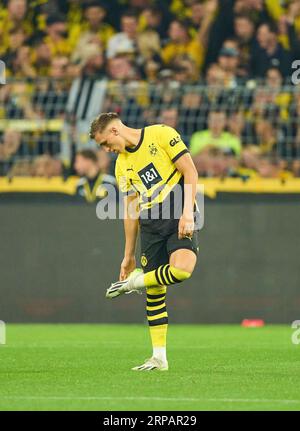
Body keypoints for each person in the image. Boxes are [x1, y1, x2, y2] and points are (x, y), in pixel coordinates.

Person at [89, 112, 200, 371]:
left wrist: (187, 213)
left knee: (182, 270)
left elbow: (190, 172)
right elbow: (130, 210)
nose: (106, 150)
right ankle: (159, 357)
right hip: (150, 223)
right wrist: (127, 256)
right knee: (155, 292)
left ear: (114, 131)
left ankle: (133, 283)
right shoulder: (121, 166)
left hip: (176, 213)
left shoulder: (161, 134)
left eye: (105, 143)